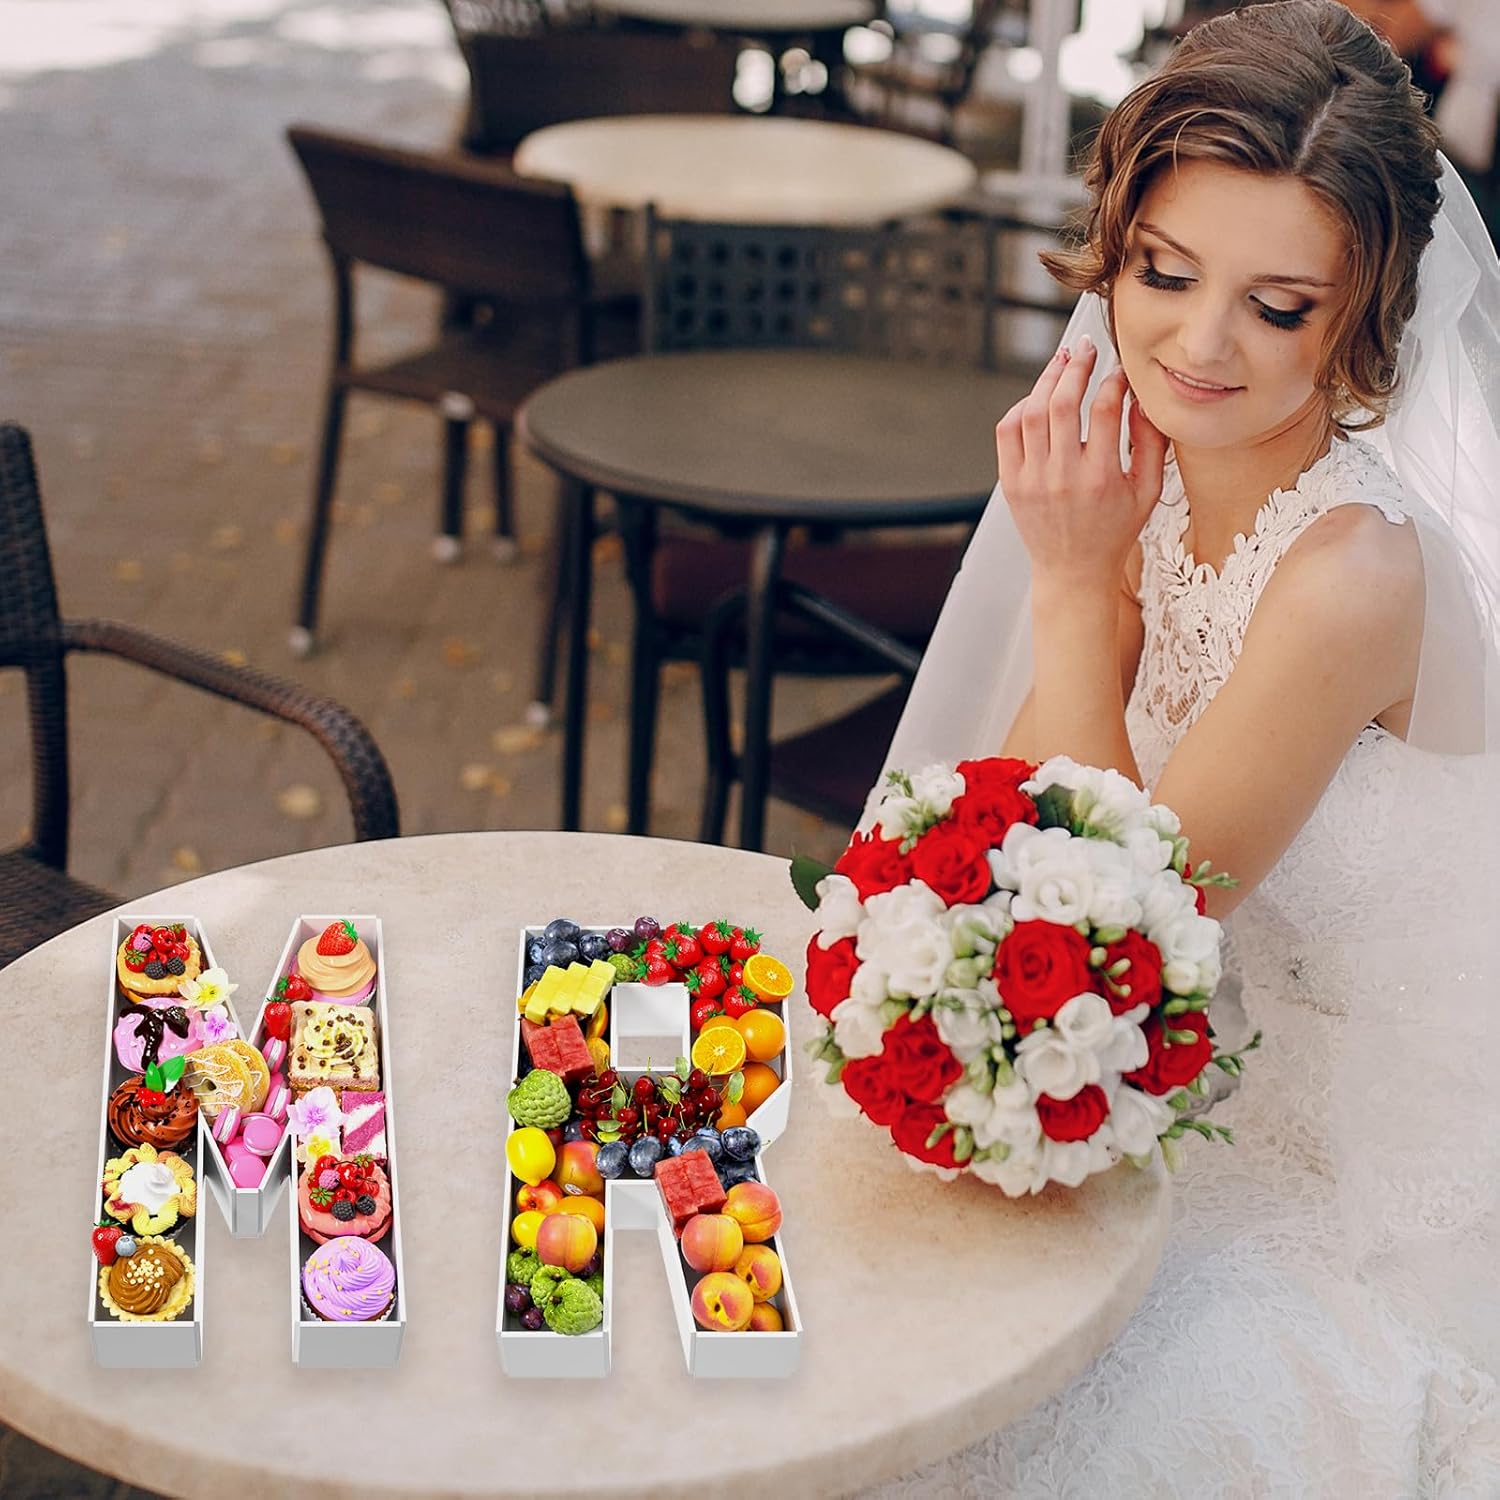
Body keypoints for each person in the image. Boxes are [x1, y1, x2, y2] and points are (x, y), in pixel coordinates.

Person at [864, 0, 1500, 1493]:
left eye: (1278, 307)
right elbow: (1002, 834)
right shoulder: (1138, 475)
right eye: (1164, 272)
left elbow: (1116, 948)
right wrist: (1095, 573)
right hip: (1144, 1090)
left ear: (1366, 317)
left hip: (1332, 1180)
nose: (1200, 345)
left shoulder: (1353, 574)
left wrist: (1076, 587)